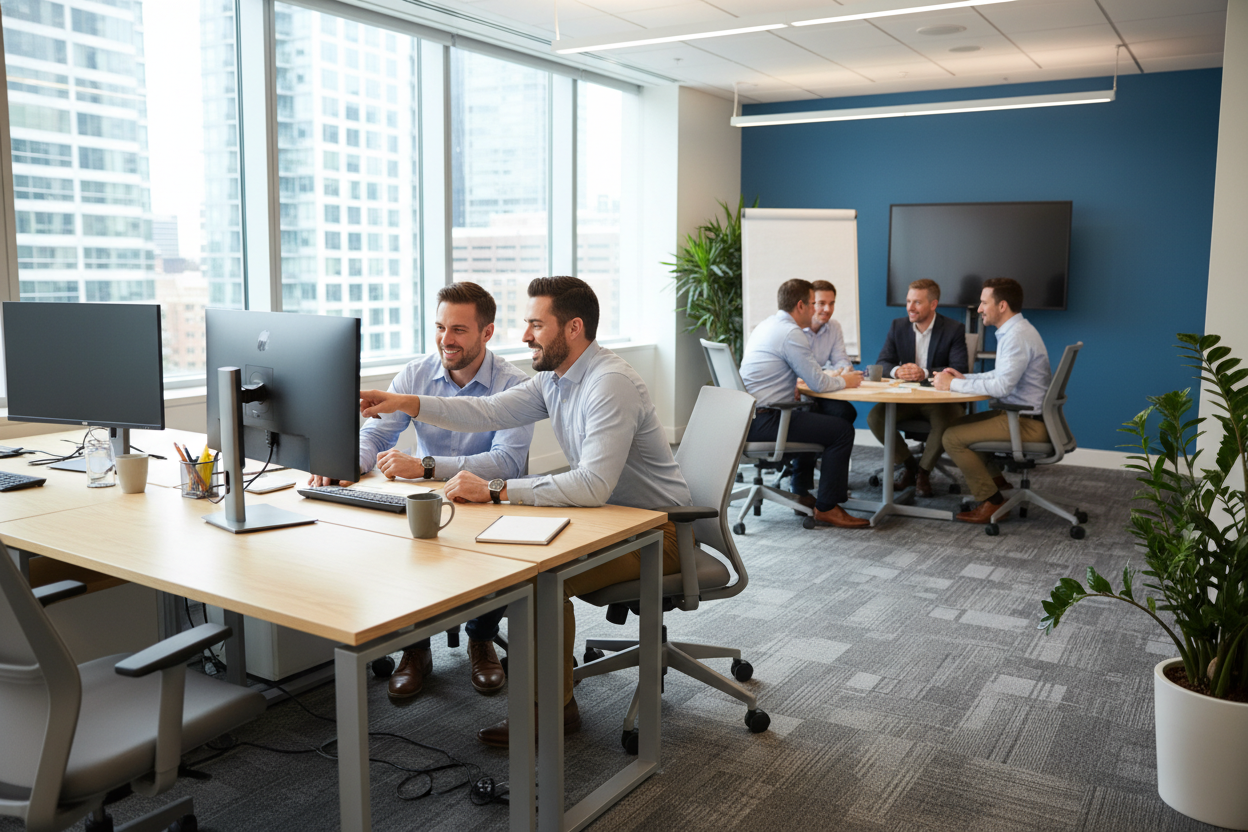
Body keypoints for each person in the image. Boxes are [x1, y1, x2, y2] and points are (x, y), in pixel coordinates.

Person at [358, 276, 691, 747]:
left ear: (573, 328)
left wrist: (495, 490)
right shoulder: (555, 380)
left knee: (539, 579)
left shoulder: (609, 383)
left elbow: (591, 485)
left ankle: (550, 711)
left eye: (536, 324)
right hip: (612, 519)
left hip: (660, 533)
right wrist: (408, 403)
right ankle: (554, 698)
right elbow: (486, 412)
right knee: (517, 560)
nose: (525, 335)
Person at [310, 281, 534, 701]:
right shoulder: (416, 374)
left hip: (488, 503)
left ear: (486, 333)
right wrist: (346, 462)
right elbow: (375, 435)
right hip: (427, 501)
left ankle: (481, 638)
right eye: (440, 327)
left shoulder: (514, 385)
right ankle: (415, 648)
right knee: (396, 546)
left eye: (459, 330)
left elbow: (507, 463)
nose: (446, 339)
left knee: (503, 557)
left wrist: (426, 466)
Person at [738, 278, 869, 529]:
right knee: (841, 431)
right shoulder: (791, 333)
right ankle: (827, 508)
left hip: (747, 417)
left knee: (818, 416)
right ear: (800, 305)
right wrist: (847, 380)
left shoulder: (766, 325)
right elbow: (818, 383)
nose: (815, 309)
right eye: (811, 303)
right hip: (767, 419)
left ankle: (804, 491)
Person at [934, 277, 1052, 523]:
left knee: (952, 438)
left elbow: (1001, 386)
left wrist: (951, 384)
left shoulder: (1016, 336)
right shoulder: (1017, 331)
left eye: (983, 303)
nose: (979, 309)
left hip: (1026, 423)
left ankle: (993, 502)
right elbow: (1000, 375)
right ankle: (999, 485)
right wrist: (964, 377)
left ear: (1002, 306)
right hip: (1024, 416)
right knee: (955, 427)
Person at [867, 278, 969, 497]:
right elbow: (883, 362)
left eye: (917, 302)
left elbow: (959, 369)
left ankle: (923, 472)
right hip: (906, 398)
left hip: (939, 400)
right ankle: (910, 466)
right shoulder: (898, 326)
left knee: (947, 420)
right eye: (908, 301)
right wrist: (897, 371)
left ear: (933, 304)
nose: (910, 308)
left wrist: (924, 372)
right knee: (875, 418)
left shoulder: (953, 329)